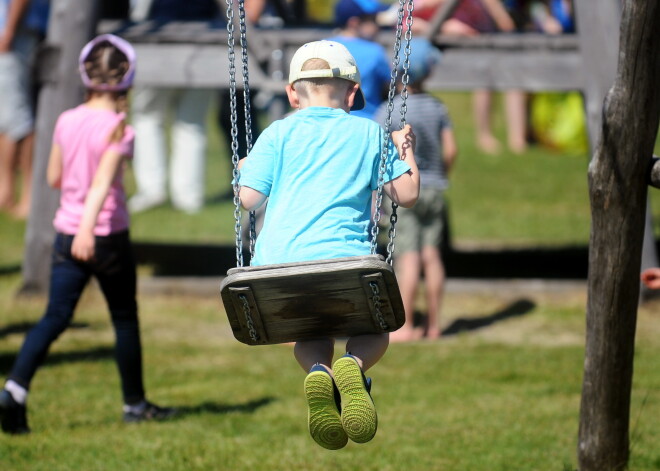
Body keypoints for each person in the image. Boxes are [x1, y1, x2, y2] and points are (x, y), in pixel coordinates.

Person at [238, 40, 419, 449]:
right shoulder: (370, 133)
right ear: (353, 94)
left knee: (310, 333)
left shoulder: (277, 132)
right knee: (377, 329)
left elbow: (249, 199)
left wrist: (242, 170)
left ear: (291, 94)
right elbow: (407, 195)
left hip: (277, 271)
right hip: (346, 263)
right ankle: (352, 366)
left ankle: (319, 371)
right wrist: (407, 152)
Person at [0, 34, 174, 435]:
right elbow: (100, 185)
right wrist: (87, 230)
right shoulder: (118, 129)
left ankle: (14, 389)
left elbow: (53, 177)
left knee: (55, 317)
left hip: (65, 232)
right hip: (104, 235)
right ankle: (134, 404)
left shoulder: (66, 120)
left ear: (85, 74)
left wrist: (75, 225)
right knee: (124, 320)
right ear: (127, 78)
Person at [375, 38, 457, 342]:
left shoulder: (387, 111)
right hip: (434, 186)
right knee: (431, 255)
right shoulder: (438, 108)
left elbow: (378, 153)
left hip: (403, 192)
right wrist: (440, 174)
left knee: (407, 257)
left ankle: (406, 325)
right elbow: (451, 149)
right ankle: (435, 325)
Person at [127, 0, 220, 213]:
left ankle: (154, 189)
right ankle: (188, 195)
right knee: (190, 123)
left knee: (149, 118)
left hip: (158, 36)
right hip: (203, 38)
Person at [0, 0, 49, 218]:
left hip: (15, 35)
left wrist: (9, 31)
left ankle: (29, 196)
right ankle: (6, 192)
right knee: (7, 118)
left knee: (20, 118)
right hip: (11, 34)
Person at [327, 0, 391, 120]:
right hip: (368, 120)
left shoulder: (323, 46)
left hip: (329, 121)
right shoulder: (374, 51)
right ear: (354, 23)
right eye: (373, 20)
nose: (378, 27)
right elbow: (391, 86)